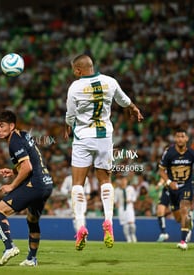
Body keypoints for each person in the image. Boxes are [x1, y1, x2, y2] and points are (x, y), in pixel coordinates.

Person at [64, 54, 143, 251]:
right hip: (104, 137)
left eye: (74, 70)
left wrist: (67, 126)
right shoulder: (110, 81)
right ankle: (108, 221)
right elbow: (124, 100)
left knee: (77, 184)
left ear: (79, 70)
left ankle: (81, 225)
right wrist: (133, 108)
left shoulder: (75, 87)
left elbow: (70, 114)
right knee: (105, 181)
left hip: (83, 137)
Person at [0, 110, 53, 267]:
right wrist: (12, 171)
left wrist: (11, 185)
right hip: (46, 183)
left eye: (1, 125)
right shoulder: (24, 134)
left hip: (36, 184)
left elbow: (27, 167)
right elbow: (30, 161)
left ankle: (9, 247)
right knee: (32, 220)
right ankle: (32, 259)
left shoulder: (14, 141)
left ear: (11, 126)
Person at [158, 128, 194, 250]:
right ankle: (189, 222)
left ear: (187, 139)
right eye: (178, 136)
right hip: (173, 188)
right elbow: (161, 170)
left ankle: (183, 241)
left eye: (182, 136)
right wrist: (168, 181)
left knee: (184, 210)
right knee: (178, 217)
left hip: (187, 185)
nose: (180, 139)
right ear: (175, 139)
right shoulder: (169, 153)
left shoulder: (192, 153)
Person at [114, 176, 137, 243]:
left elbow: (134, 197)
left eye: (125, 180)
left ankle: (133, 235)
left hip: (129, 207)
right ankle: (128, 238)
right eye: (122, 181)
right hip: (121, 208)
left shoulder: (130, 188)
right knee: (125, 224)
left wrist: (130, 200)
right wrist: (116, 203)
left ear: (127, 181)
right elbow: (115, 199)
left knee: (132, 224)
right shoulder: (117, 190)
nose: (123, 182)